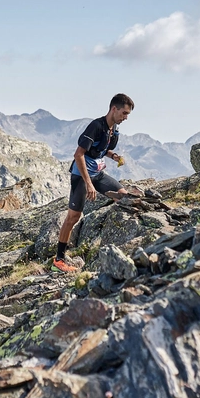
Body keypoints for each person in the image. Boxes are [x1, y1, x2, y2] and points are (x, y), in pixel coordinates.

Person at [50, 93, 140, 273]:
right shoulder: (96, 126)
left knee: (124, 197)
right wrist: (89, 184)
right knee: (73, 217)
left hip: (98, 173)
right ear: (114, 109)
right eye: (124, 113)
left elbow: (101, 148)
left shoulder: (114, 130)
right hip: (81, 175)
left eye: (128, 114)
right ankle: (59, 259)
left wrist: (113, 156)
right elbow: (79, 154)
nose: (126, 118)